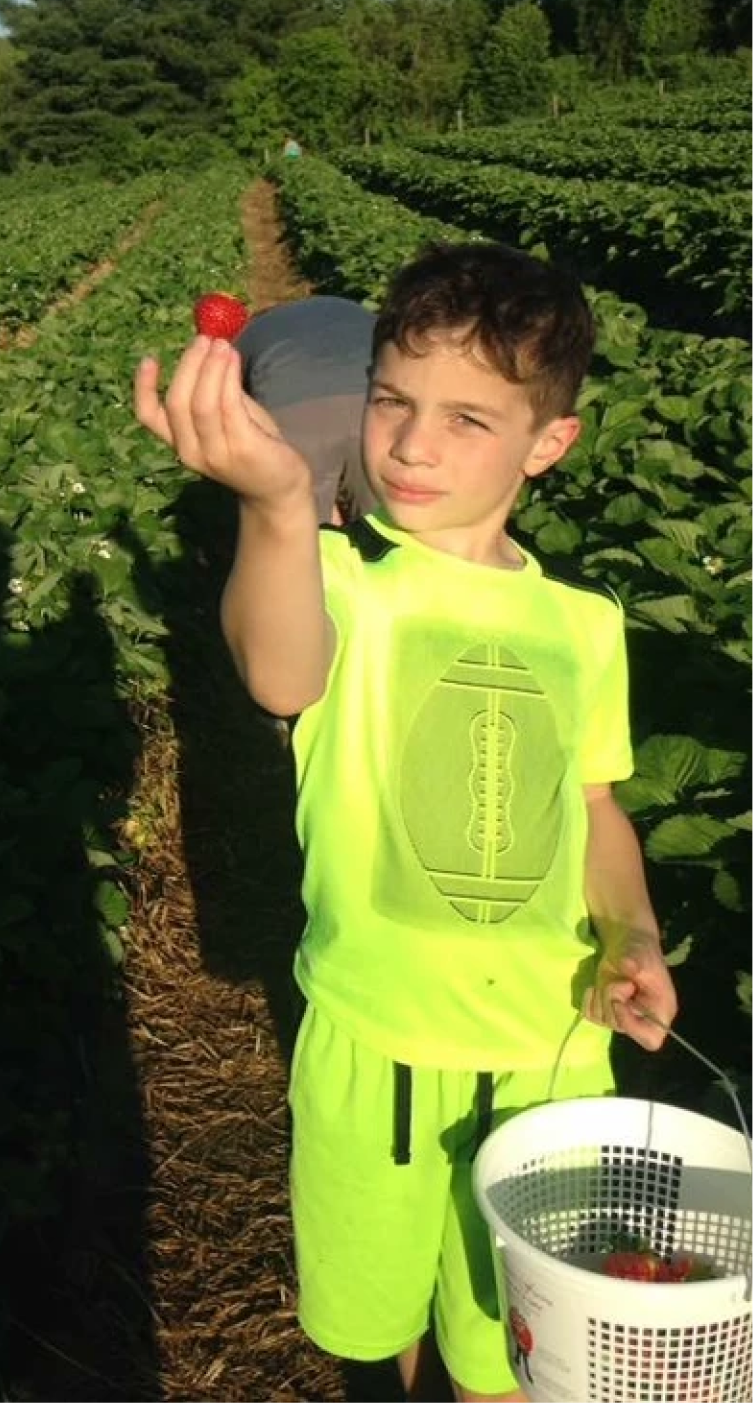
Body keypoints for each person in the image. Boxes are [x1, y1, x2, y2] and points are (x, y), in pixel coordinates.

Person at [135, 239, 677, 1403]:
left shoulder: (585, 624)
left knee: (516, 1337)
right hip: (377, 1044)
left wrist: (630, 931)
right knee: (381, 1323)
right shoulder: (343, 580)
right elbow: (279, 674)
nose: (414, 442)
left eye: (470, 418)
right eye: (392, 398)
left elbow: (593, 804)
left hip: (550, 1050)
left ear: (551, 441)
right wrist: (279, 506)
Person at [234, 295, 377, 526]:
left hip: (295, 411)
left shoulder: (250, 332)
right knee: (384, 528)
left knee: (305, 531)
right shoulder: (351, 309)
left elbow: (235, 405)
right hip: (373, 404)